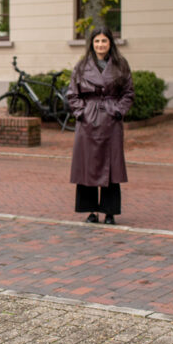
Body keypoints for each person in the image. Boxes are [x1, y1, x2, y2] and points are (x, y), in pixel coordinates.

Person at [66, 27, 134, 225]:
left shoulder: (121, 65)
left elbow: (128, 93)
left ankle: (109, 212)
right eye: (97, 41)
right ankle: (91, 211)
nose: (100, 45)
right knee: (88, 165)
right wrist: (81, 112)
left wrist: (118, 111)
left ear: (110, 43)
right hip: (88, 120)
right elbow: (72, 94)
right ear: (92, 44)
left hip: (111, 120)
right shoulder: (82, 66)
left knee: (111, 167)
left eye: (104, 41)